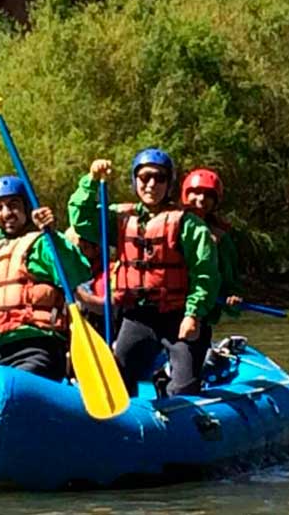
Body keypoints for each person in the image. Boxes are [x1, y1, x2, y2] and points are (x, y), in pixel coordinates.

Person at [68, 148, 220, 397]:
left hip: (178, 316)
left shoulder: (189, 225)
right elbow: (82, 218)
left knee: (183, 388)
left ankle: (173, 393)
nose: (151, 184)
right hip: (138, 317)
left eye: (159, 178)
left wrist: (194, 315)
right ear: (135, 181)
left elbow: (205, 275)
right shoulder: (120, 218)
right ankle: (130, 421)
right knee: (117, 379)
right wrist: (92, 181)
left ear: (169, 183)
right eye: (144, 177)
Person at [0, 176, 92, 381]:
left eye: (13, 205)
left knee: (16, 388)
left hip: (37, 348)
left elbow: (76, 272)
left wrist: (51, 234)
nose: (6, 213)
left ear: (27, 207)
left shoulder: (42, 243)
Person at [180, 168, 244, 306]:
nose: (202, 199)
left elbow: (230, 276)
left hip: (199, 310)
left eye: (208, 195)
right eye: (196, 192)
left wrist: (232, 295)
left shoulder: (221, 237)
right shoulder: (169, 224)